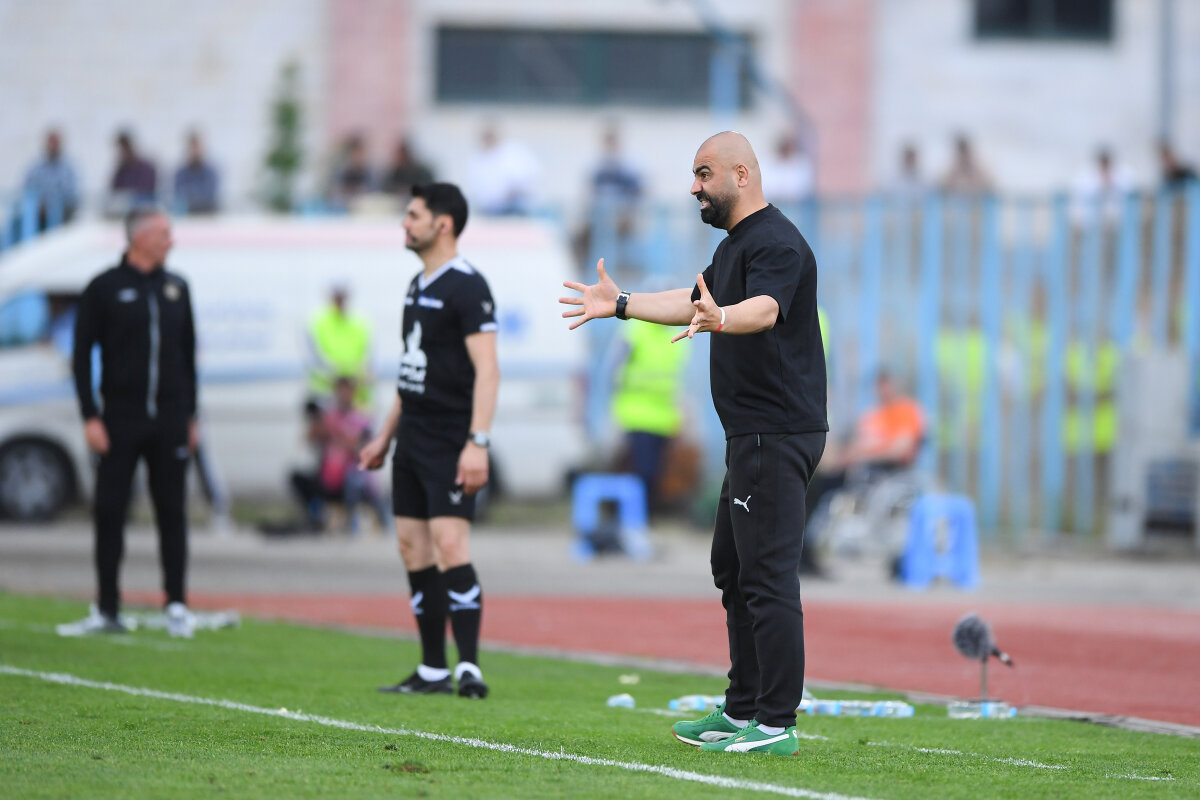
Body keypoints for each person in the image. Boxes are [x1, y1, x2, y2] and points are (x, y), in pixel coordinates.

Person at [560, 132, 827, 755]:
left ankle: (776, 724)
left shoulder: (777, 241)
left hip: (776, 432)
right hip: (750, 435)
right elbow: (692, 301)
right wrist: (621, 303)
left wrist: (724, 317)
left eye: (704, 174)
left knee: (768, 576)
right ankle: (742, 709)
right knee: (732, 568)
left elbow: (765, 308)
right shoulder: (736, 245)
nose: (694, 187)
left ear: (742, 175)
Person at [359, 182, 500, 699]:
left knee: (449, 544)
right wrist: (384, 436)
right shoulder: (416, 286)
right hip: (411, 439)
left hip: (450, 438)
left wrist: (477, 442)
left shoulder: (468, 286)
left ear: (443, 224)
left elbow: (488, 370)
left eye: (413, 215)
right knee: (412, 548)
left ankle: (470, 668)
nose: (405, 223)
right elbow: (410, 371)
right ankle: (433, 669)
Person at [57, 205, 198, 638]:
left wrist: (191, 415)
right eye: (163, 233)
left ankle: (176, 604)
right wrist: (90, 415)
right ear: (140, 238)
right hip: (120, 419)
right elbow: (81, 356)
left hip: (170, 420)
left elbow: (188, 357)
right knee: (110, 511)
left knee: (172, 511)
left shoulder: (177, 288)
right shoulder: (104, 287)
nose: (171, 241)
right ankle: (107, 607)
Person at [805, 369, 926, 568]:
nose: (883, 390)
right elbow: (853, 445)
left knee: (821, 488)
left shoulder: (905, 411)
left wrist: (864, 454)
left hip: (887, 473)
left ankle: (806, 548)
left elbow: (901, 449)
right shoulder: (872, 415)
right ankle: (806, 547)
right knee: (815, 484)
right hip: (858, 470)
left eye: (886, 385)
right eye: (880, 386)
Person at [305, 283, 372, 406]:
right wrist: (338, 379)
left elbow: (368, 359)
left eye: (342, 296)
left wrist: (354, 380)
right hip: (326, 393)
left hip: (355, 394)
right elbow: (313, 358)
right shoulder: (318, 322)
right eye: (337, 297)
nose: (340, 301)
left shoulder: (360, 324)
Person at [466, 124, 539, 215]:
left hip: (518, 206)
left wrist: (516, 189)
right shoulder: (477, 161)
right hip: (492, 210)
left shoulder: (513, 152)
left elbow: (531, 174)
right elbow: (480, 194)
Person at [22, 128, 80, 229]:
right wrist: (41, 204)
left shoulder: (67, 170)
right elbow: (27, 188)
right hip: (39, 216)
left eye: (55, 144)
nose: (53, 147)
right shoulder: (36, 169)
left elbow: (71, 196)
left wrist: (51, 204)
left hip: (62, 216)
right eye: (51, 143)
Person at [108, 130, 158, 212]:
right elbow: (114, 192)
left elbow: (146, 193)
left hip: (144, 210)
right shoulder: (121, 171)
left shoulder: (146, 168)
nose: (121, 153)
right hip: (123, 211)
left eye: (123, 149)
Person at [760, 134, 814, 208]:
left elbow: (804, 187)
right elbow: (766, 186)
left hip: (796, 204)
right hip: (774, 203)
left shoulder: (801, 163)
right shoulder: (769, 163)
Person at [173, 130, 220, 215]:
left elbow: (209, 194)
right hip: (187, 214)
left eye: (196, 147)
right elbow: (179, 194)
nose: (194, 151)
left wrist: (191, 194)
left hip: (207, 214)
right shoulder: (181, 173)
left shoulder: (210, 172)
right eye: (192, 148)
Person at [380, 137, 435, 202]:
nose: (399, 158)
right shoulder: (397, 172)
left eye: (401, 155)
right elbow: (387, 187)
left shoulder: (422, 172)